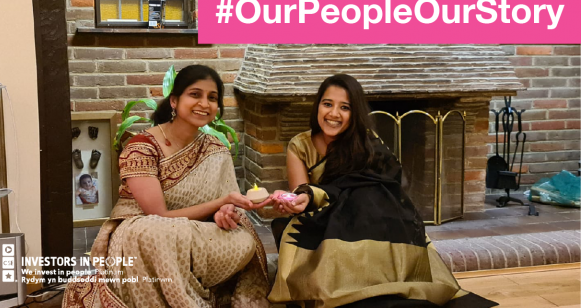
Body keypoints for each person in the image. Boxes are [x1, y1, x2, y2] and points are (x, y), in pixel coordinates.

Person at [268, 74, 497, 308]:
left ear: (354, 113)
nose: (333, 114)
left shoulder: (367, 141)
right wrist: (295, 200)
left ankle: (385, 285)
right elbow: (302, 193)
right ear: (318, 106)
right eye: (327, 104)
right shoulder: (300, 145)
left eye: (344, 107)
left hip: (368, 218)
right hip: (326, 219)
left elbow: (388, 184)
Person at [63, 65, 271, 308]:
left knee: (244, 241)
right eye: (195, 94)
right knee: (155, 233)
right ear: (174, 101)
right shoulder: (142, 147)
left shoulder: (216, 149)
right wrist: (222, 203)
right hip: (143, 231)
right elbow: (158, 214)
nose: (204, 103)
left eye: (212, 98)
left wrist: (224, 213)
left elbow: (225, 204)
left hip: (197, 232)